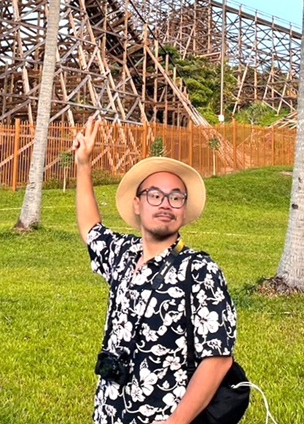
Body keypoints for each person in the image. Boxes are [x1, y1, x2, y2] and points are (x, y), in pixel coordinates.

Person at [73, 116, 238, 424]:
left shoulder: (200, 271)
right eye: (155, 195)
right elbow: (90, 228)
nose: (165, 204)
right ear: (138, 204)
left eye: (176, 197)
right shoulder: (123, 255)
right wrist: (84, 165)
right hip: (110, 413)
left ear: (184, 210)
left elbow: (217, 359)